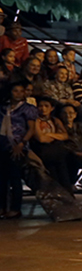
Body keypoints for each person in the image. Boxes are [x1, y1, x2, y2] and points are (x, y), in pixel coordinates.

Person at [0, 81, 38, 218]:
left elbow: (31, 129)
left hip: (19, 145)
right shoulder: (4, 107)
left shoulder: (27, 108)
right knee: (2, 179)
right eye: (15, 91)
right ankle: (2, 206)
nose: (18, 94)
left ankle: (16, 208)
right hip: (2, 144)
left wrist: (22, 143)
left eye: (21, 91)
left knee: (15, 177)